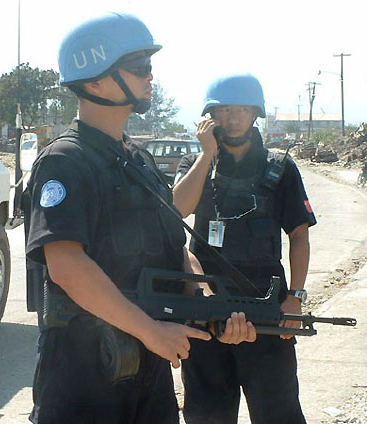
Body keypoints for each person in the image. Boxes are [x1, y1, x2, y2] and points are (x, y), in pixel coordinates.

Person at [23, 14, 256, 424]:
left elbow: (176, 250)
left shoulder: (139, 161)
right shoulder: (65, 161)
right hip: (84, 370)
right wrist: (150, 330)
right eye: (139, 67)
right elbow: (66, 266)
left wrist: (215, 310)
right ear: (94, 81)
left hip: (148, 369)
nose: (151, 77)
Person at [172, 73, 317, 424]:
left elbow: (299, 235)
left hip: (267, 312)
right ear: (209, 117)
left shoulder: (280, 169)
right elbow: (175, 211)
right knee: (207, 416)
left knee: (278, 414)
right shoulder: (195, 166)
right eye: (223, 110)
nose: (232, 117)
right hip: (205, 308)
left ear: (255, 114)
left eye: (241, 109)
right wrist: (207, 155)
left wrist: (295, 297)